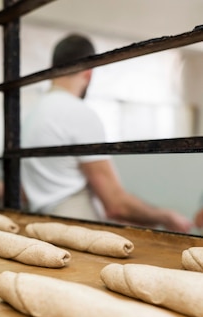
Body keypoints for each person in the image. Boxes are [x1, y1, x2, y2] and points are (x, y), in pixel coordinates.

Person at [20, 33, 192, 233]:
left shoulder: (31, 115)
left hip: (40, 229)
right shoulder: (78, 113)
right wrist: (165, 216)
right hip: (77, 235)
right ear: (89, 73)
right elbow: (115, 206)